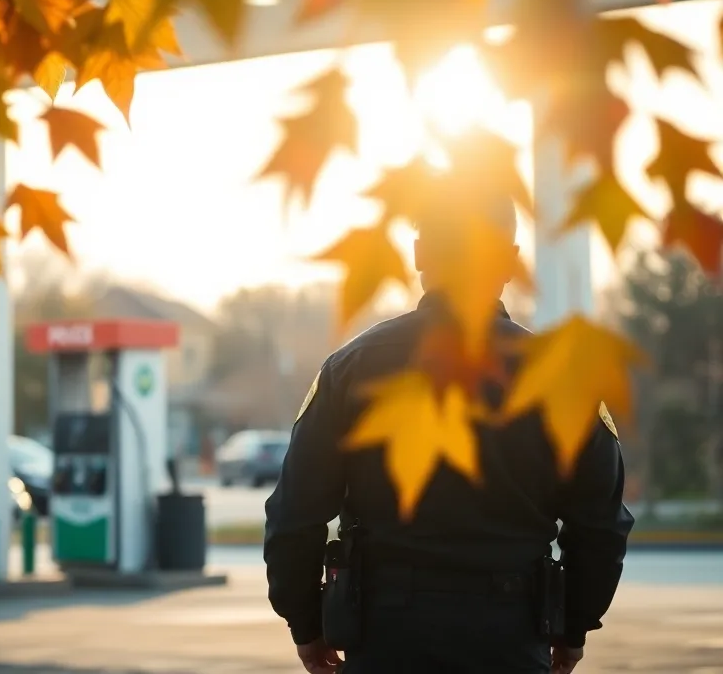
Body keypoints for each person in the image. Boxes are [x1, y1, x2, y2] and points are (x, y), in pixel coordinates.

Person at [264, 182, 634, 674]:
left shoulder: (349, 370)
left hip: (386, 639)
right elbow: (601, 526)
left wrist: (305, 625)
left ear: (420, 254)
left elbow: (295, 514)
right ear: (511, 261)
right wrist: (574, 628)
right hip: (510, 638)